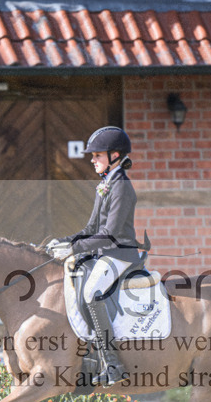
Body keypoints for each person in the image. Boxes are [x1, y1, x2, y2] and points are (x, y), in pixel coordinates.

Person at [47, 126, 143, 387]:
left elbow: (110, 234)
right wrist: (67, 241)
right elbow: (91, 229)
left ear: (115, 155)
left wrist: (75, 249)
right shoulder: (105, 184)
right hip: (104, 253)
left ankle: (112, 363)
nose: (92, 160)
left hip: (120, 254)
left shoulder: (121, 186)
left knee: (91, 292)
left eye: (97, 155)